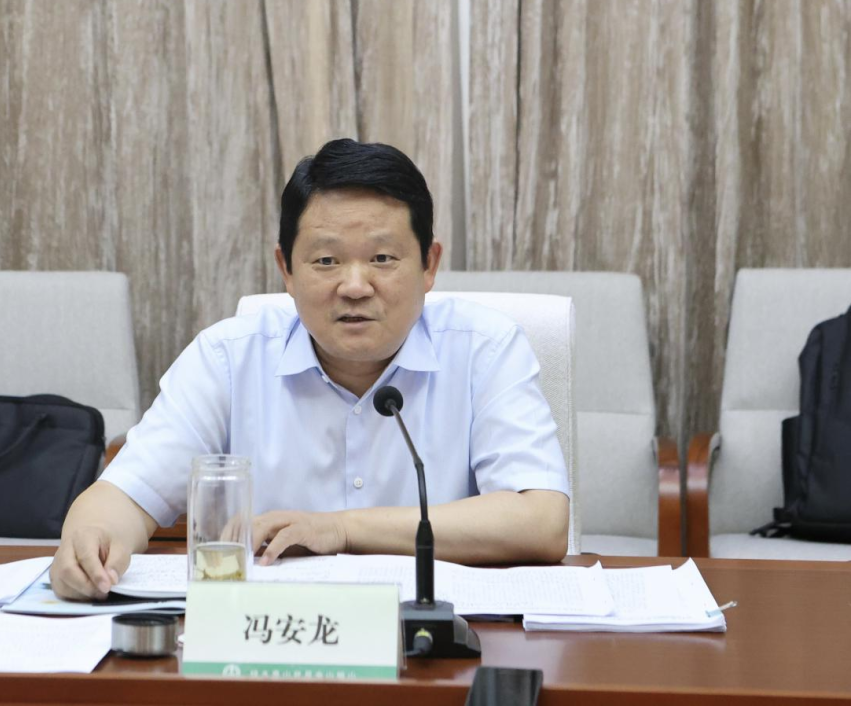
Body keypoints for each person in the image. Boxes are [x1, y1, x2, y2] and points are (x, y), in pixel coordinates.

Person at [52, 139, 569, 600]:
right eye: (326, 261)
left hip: (434, 646)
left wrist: (340, 529)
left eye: (383, 258)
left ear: (429, 265)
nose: (355, 286)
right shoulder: (228, 359)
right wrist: (89, 542)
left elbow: (542, 522)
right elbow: (123, 496)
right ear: (286, 269)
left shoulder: (485, 350)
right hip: (270, 645)